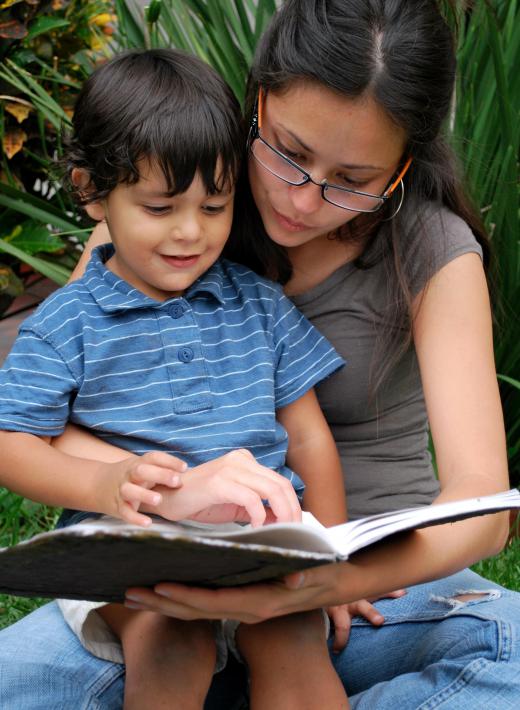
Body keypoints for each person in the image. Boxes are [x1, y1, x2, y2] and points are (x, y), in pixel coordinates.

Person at [0, 0, 519, 708]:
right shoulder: (182, 198)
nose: (304, 201)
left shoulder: (430, 251)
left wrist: (331, 577)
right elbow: (49, 414)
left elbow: (483, 510)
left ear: (402, 168)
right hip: (157, 577)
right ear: (258, 100)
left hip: (365, 591)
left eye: (353, 179)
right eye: (290, 154)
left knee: (510, 654)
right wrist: (176, 491)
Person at [0, 49, 351, 709]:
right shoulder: (68, 321)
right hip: (133, 556)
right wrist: (104, 482)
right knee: (171, 640)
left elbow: (307, 439)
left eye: (214, 207)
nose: (191, 233)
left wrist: (333, 554)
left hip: (262, 542)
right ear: (93, 192)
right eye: (161, 209)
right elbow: (10, 439)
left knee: (295, 643)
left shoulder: (259, 303)